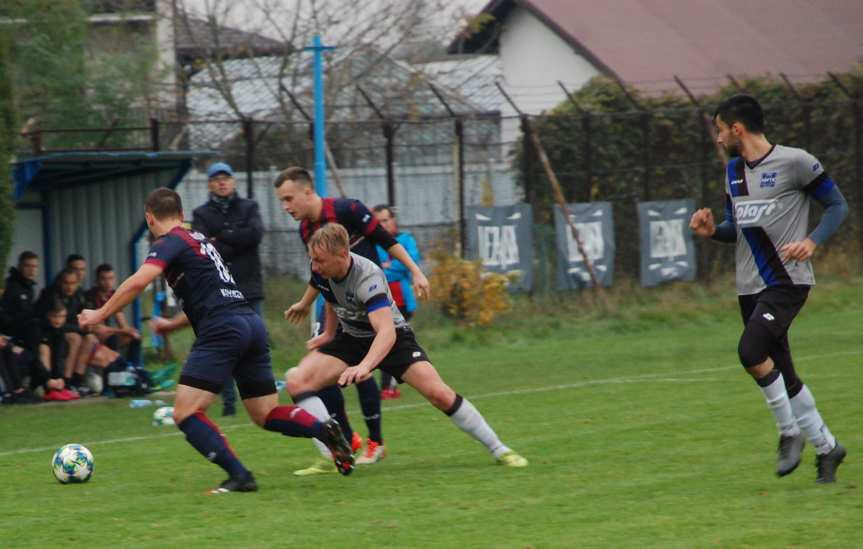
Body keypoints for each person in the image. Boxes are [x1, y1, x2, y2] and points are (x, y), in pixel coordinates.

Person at [78, 187, 354, 493]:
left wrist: (100, 313)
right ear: (181, 215)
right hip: (249, 323)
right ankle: (324, 430)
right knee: (265, 414)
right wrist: (174, 326)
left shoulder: (170, 241)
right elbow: (210, 296)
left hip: (223, 330)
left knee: (185, 412)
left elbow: (139, 281)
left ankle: (240, 477)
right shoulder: (198, 240)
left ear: (149, 218)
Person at [689, 95, 848, 483]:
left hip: (786, 281)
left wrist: (811, 242)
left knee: (750, 350)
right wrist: (712, 232)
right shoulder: (732, 172)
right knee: (783, 373)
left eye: (719, 129)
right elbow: (736, 229)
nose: (717, 137)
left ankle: (789, 433)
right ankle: (828, 448)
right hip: (748, 286)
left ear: (736, 128)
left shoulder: (796, 161)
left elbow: (838, 206)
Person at [285, 223, 527, 472]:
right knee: (297, 380)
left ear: (343, 255)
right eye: (312, 260)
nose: (314, 267)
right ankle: (334, 454)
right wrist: (326, 331)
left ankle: (500, 449)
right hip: (351, 337)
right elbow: (329, 294)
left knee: (439, 394)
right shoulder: (322, 269)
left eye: (320, 261)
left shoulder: (368, 276)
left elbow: (386, 332)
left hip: (392, 338)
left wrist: (365, 366)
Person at [276, 166, 429, 471]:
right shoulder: (305, 230)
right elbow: (317, 271)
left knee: (363, 370)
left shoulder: (348, 209)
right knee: (316, 372)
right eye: (281, 200)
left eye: (289, 198)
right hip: (334, 301)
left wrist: (415, 271)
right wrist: (305, 303)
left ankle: (374, 442)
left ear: (308, 192)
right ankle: (343, 442)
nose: (285, 207)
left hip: (369, 300)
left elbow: (387, 241)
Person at [190, 161, 265, 417]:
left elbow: (254, 235)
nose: (222, 182)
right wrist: (232, 238)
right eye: (216, 178)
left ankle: (257, 398)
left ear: (234, 181)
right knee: (223, 347)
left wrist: (221, 238)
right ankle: (229, 404)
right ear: (209, 183)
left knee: (254, 345)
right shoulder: (201, 214)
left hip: (249, 287)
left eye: (226, 177)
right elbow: (203, 248)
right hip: (218, 292)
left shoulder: (249, 207)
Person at [372, 205, 421, 399]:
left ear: (393, 221)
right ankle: (387, 385)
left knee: (390, 342)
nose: (382, 225)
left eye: (385, 220)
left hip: (401, 300)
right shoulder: (373, 243)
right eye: (379, 222)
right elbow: (371, 267)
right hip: (376, 301)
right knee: (387, 342)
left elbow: (407, 263)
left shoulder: (406, 240)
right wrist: (387, 268)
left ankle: (387, 386)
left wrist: (385, 270)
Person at [36, 266, 98, 396]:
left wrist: (88, 325)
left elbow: (85, 315)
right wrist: (79, 328)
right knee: (75, 338)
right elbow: (54, 323)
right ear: (60, 282)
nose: (69, 287)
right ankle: (66, 381)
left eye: (73, 283)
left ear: (78, 283)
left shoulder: (79, 296)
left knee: (91, 338)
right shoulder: (50, 295)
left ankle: (78, 380)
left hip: (70, 330)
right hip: (49, 334)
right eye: (66, 283)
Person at [85, 264, 142, 364]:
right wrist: (123, 331)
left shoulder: (113, 295)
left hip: (106, 334)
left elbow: (121, 321)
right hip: (90, 335)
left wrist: (129, 332)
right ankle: (114, 373)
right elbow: (98, 329)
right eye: (104, 279)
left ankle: (134, 370)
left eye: (111, 278)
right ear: (97, 280)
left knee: (135, 336)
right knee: (112, 338)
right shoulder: (91, 297)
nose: (108, 282)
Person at [37, 302, 80, 401]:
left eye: (61, 317)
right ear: (48, 316)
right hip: (38, 375)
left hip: (53, 373)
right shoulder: (38, 330)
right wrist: (47, 379)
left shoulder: (60, 331)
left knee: (66, 345)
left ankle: (62, 385)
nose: (58, 320)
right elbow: (35, 357)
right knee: (44, 348)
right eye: (55, 316)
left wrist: (60, 378)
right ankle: (49, 389)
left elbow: (59, 357)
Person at [0, 251, 42, 353]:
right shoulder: (10, 286)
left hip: (25, 329)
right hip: (11, 330)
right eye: (28, 266)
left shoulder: (29, 287)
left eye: (35, 266)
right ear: (20, 266)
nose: (32, 270)